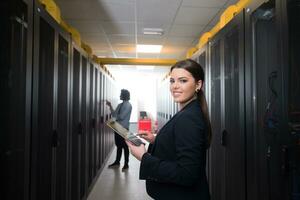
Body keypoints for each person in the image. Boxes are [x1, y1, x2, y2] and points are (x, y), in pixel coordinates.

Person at [126, 59, 212, 199]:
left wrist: (144, 157)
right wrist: (155, 139)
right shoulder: (189, 112)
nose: (175, 86)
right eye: (172, 81)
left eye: (183, 81)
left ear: (198, 84)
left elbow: (187, 174)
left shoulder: (188, 118)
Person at [106, 89, 132, 171]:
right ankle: (117, 162)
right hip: (117, 127)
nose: (120, 96)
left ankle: (126, 164)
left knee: (125, 146)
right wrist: (110, 106)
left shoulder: (128, 105)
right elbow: (114, 114)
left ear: (124, 95)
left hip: (123, 128)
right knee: (118, 146)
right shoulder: (120, 105)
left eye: (121, 94)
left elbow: (121, 117)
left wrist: (115, 117)